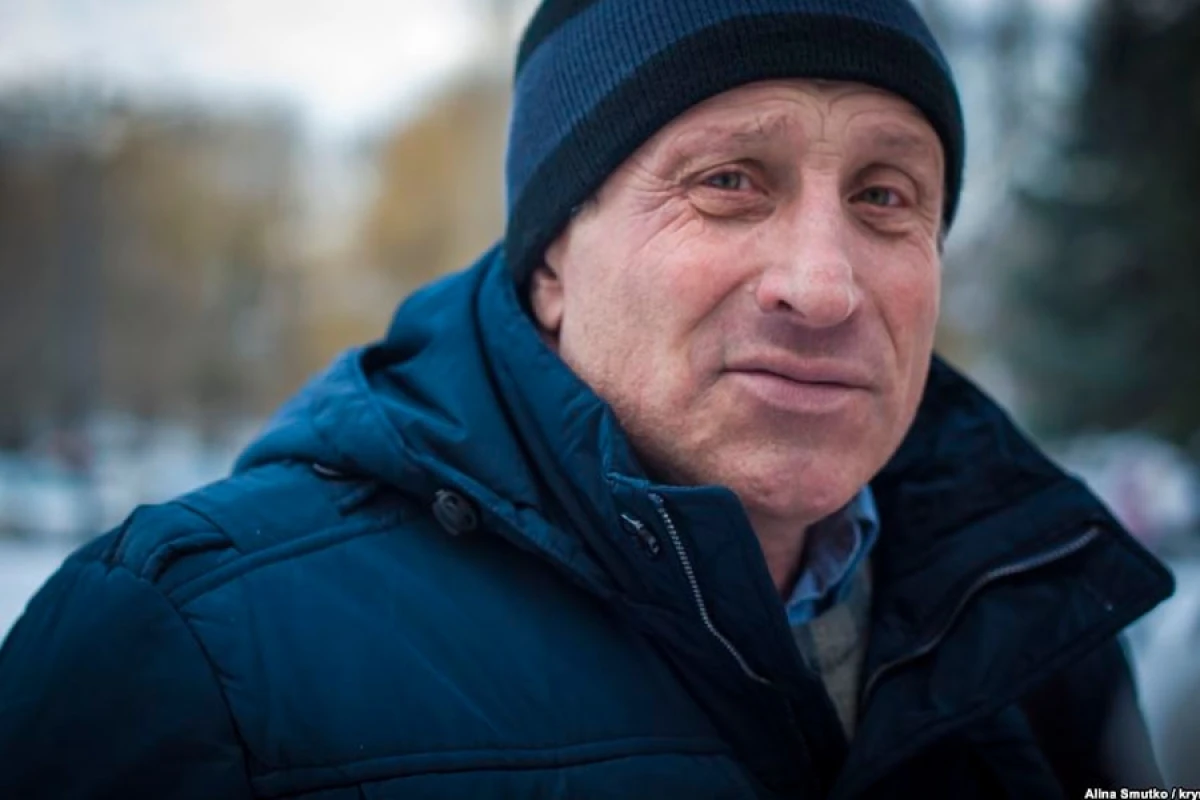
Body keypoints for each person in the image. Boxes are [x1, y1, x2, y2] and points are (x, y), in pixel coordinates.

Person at [0, 1, 1176, 797]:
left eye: (884, 196)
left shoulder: (1038, 624)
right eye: (730, 180)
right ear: (553, 260)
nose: (824, 285)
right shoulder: (192, 652)